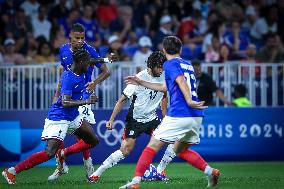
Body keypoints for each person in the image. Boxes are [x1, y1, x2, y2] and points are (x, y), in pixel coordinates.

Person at [120, 36, 220, 189]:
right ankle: (210, 171)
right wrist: (140, 81)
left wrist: (188, 101)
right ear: (180, 49)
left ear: (164, 50)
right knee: (181, 150)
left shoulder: (170, 64)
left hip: (180, 113)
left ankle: (135, 182)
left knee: (152, 146)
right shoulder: (187, 64)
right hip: (195, 116)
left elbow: (180, 81)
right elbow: (165, 87)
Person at [2, 48, 99, 185]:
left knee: (93, 140)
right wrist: (86, 101)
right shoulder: (68, 77)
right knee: (49, 152)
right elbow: (65, 102)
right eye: (88, 63)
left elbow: (94, 60)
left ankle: (63, 152)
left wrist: (107, 59)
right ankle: (12, 171)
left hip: (73, 116)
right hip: (59, 117)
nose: (90, 65)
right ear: (81, 62)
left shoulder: (81, 68)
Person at [88, 51, 167, 182]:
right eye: (159, 67)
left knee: (169, 138)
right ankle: (96, 174)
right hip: (135, 120)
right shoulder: (138, 78)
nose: (161, 69)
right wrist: (111, 119)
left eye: (163, 66)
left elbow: (164, 94)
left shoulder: (164, 76)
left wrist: (164, 115)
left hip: (152, 118)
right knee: (125, 150)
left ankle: (159, 171)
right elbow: (122, 100)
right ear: (152, 65)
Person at [48, 23, 112, 181]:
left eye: (83, 38)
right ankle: (62, 166)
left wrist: (94, 83)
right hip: (67, 95)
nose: (80, 41)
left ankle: (88, 170)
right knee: (60, 133)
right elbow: (63, 72)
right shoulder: (63, 49)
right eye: (77, 38)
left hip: (83, 95)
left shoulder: (89, 50)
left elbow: (106, 71)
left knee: (84, 135)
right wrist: (57, 94)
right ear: (70, 36)